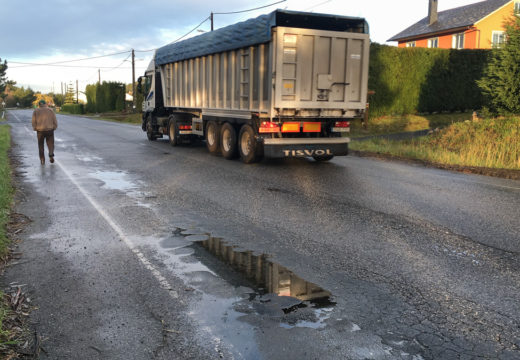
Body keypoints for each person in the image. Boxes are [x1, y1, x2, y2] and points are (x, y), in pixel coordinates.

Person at [32, 99, 58, 165]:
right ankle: (51, 154)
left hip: (40, 131)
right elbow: (54, 119)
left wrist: (35, 128)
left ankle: (42, 159)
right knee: (50, 144)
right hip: (49, 130)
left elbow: (33, 121)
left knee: (40, 145)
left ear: (39, 105)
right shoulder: (50, 110)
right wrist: (54, 127)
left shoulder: (36, 111)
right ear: (45, 104)